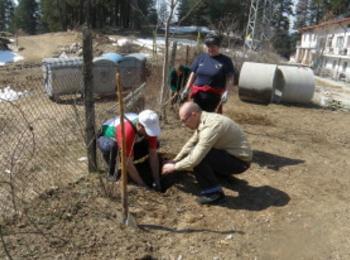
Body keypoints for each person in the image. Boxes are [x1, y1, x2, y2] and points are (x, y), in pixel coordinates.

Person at [162, 102, 252, 205]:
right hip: (231, 156)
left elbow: (194, 159)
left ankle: (214, 193)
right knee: (198, 151)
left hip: (240, 162)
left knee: (200, 157)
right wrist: (175, 160)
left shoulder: (211, 126)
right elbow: (191, 142)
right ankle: (221, 175)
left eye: (184, 120)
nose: (184, 125)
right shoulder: (204, 120)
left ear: (194, 115)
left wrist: (174, 167)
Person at [97, 110, 162, 191]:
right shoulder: (127, 132)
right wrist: (144, 186)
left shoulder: (149, 127)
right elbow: (128, 163)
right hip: (106, 137)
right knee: (111, 147)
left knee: (155, 144)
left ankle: (136, 165)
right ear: (139, 125)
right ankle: (112, 174)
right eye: (147, 131)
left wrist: (157, 180)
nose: (150, 134)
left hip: (129, 139)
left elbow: (153, 154)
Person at [181, 34, 235, 113]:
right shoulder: (201, 58)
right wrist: (186, 89)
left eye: (213, 46)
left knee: (211, 122)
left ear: (218, 46)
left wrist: (226, 92)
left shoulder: (226, 61)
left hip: (214, 97)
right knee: (196, 119)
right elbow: (193, 74)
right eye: (208, 46)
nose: (210, 48)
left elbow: (230, 78)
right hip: (197, 95)